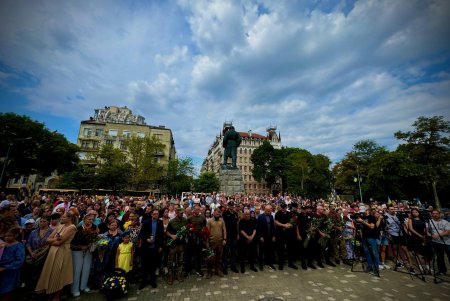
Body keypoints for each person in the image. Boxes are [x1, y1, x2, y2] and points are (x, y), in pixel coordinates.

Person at [35, 211, 78, 301]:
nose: (61, 218)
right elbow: (48, 239)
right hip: (52, 252)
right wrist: (55, 240)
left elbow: (59, 243)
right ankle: (50, 295)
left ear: (70, 218)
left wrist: (53, 241)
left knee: (59, 274)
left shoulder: (72, 227)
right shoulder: (60, 226)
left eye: (64, 217)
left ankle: (56, 296)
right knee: (50, 272)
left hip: (62, 252)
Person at [70, 212, 98, 297]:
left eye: (92, 220)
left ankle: (84, 286)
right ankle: (74, 289)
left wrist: (91, 245)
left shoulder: (95, 228)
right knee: (77, 270)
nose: (90, 221)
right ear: (84, 219)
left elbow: (96, 239)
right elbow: (71, 242)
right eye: (89, 219)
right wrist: (79, 247)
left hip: (89, 250)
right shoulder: (78, 228)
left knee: (86, 268)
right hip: (77, 251)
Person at [139, 209, 164, 289]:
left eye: (157, 214)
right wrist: (147, 239)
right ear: (151, 214)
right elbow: (141, 234)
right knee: (144, 265)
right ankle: (144, 281)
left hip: (155, 247)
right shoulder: (146, 222)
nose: (156, 215)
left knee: (153, 265)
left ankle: (152, 280)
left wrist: (160, 246)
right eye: (154, 214)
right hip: (146, 247)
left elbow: (161, 235)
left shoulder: (160, 223)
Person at [0, 228, 25, 301]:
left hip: (11, 272)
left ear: (15, 236)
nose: (7, 238)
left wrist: (5, 268)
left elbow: (20, 261)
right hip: (1, 271)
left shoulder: (19, 246)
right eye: (5, 236)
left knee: (7, 291)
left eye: (9, 236)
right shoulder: (2, 244)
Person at [357, 208, 381, 276]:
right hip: (364, 237)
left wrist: (362, 221)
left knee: (374, 253)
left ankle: (376, 268)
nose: (363, 212)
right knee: (367, 253)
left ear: (368, 211)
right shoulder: (363, 217)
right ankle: (369, 266)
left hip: (371, 237)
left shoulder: (372, 217)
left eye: (364, 210)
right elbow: (362, 227)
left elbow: (372, 226)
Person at [166, 208, 187, 285]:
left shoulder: (185, 220)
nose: (182, 214)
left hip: (181, 244)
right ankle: (170, 276)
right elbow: (167, 232)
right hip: (173, 245)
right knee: (171, 261)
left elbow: (186, 229)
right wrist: (172, 236)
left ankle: (179, 275)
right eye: (180, 213)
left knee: (180, 261)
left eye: (182, 213)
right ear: (176, 213)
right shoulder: (172, 221)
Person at [427, 209, 450, 275]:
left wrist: (438, 235)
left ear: (439, 214)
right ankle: (442, 270)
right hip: (436, 242)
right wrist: (431, 235)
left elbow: (448, 231)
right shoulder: (429, 222)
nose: (435, 215)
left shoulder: (445, 222)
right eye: (433, 213)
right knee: (439, 257)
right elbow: (427, 230)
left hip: (447, 242)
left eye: (436, 213)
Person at [206, 208, 227, 278]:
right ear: (213, 213)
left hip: (220, 242)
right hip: (212, 242)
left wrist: (224, 239)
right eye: (216, 213)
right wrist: (207, 242)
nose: (217, 214)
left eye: (219, 213)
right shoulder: (209, 221)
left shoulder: (222, 221)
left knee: (219, 258)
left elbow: (224, 230)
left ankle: (217, 270)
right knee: (210, 258)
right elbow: (207, 232)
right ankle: (209, 271)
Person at [238, 209, 257, 273]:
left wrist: (251, 237)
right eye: (245, 214)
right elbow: (241, 230)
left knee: (252, 254)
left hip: (252, 240)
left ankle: (252, 266)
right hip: (243, 240)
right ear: (243, 214)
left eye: (248, 214)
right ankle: (242, 267)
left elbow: (255, 229)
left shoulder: (253, 220)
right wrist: (248, 237)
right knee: (243, 254)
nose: (247, 215)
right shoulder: (241, 221)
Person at [256, 205, 276, 271]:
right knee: (261, 251)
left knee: (270, 251)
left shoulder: (271, 216)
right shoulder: (260, 217)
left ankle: (270, 263)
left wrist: (273, 236)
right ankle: (261, 264)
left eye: (269, 211)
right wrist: (260, 236)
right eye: (267, 211)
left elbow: (273, 227)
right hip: (263, 237)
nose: (269, 212)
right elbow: (258, 228)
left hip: (270, 237)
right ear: (265, 210)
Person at [222, 201, 239, 274]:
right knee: (226, 252)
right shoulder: (225, 214)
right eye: (230, 205)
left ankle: (233, 266)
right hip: (227, 236)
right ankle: (224, 267)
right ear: (228, 206)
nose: (231, 207)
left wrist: (238, 234)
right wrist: (224, 237)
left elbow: (236, 225)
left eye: (232, 205)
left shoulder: (235, 214)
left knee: (233, 252)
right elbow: (223, 226)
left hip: (234, 236)